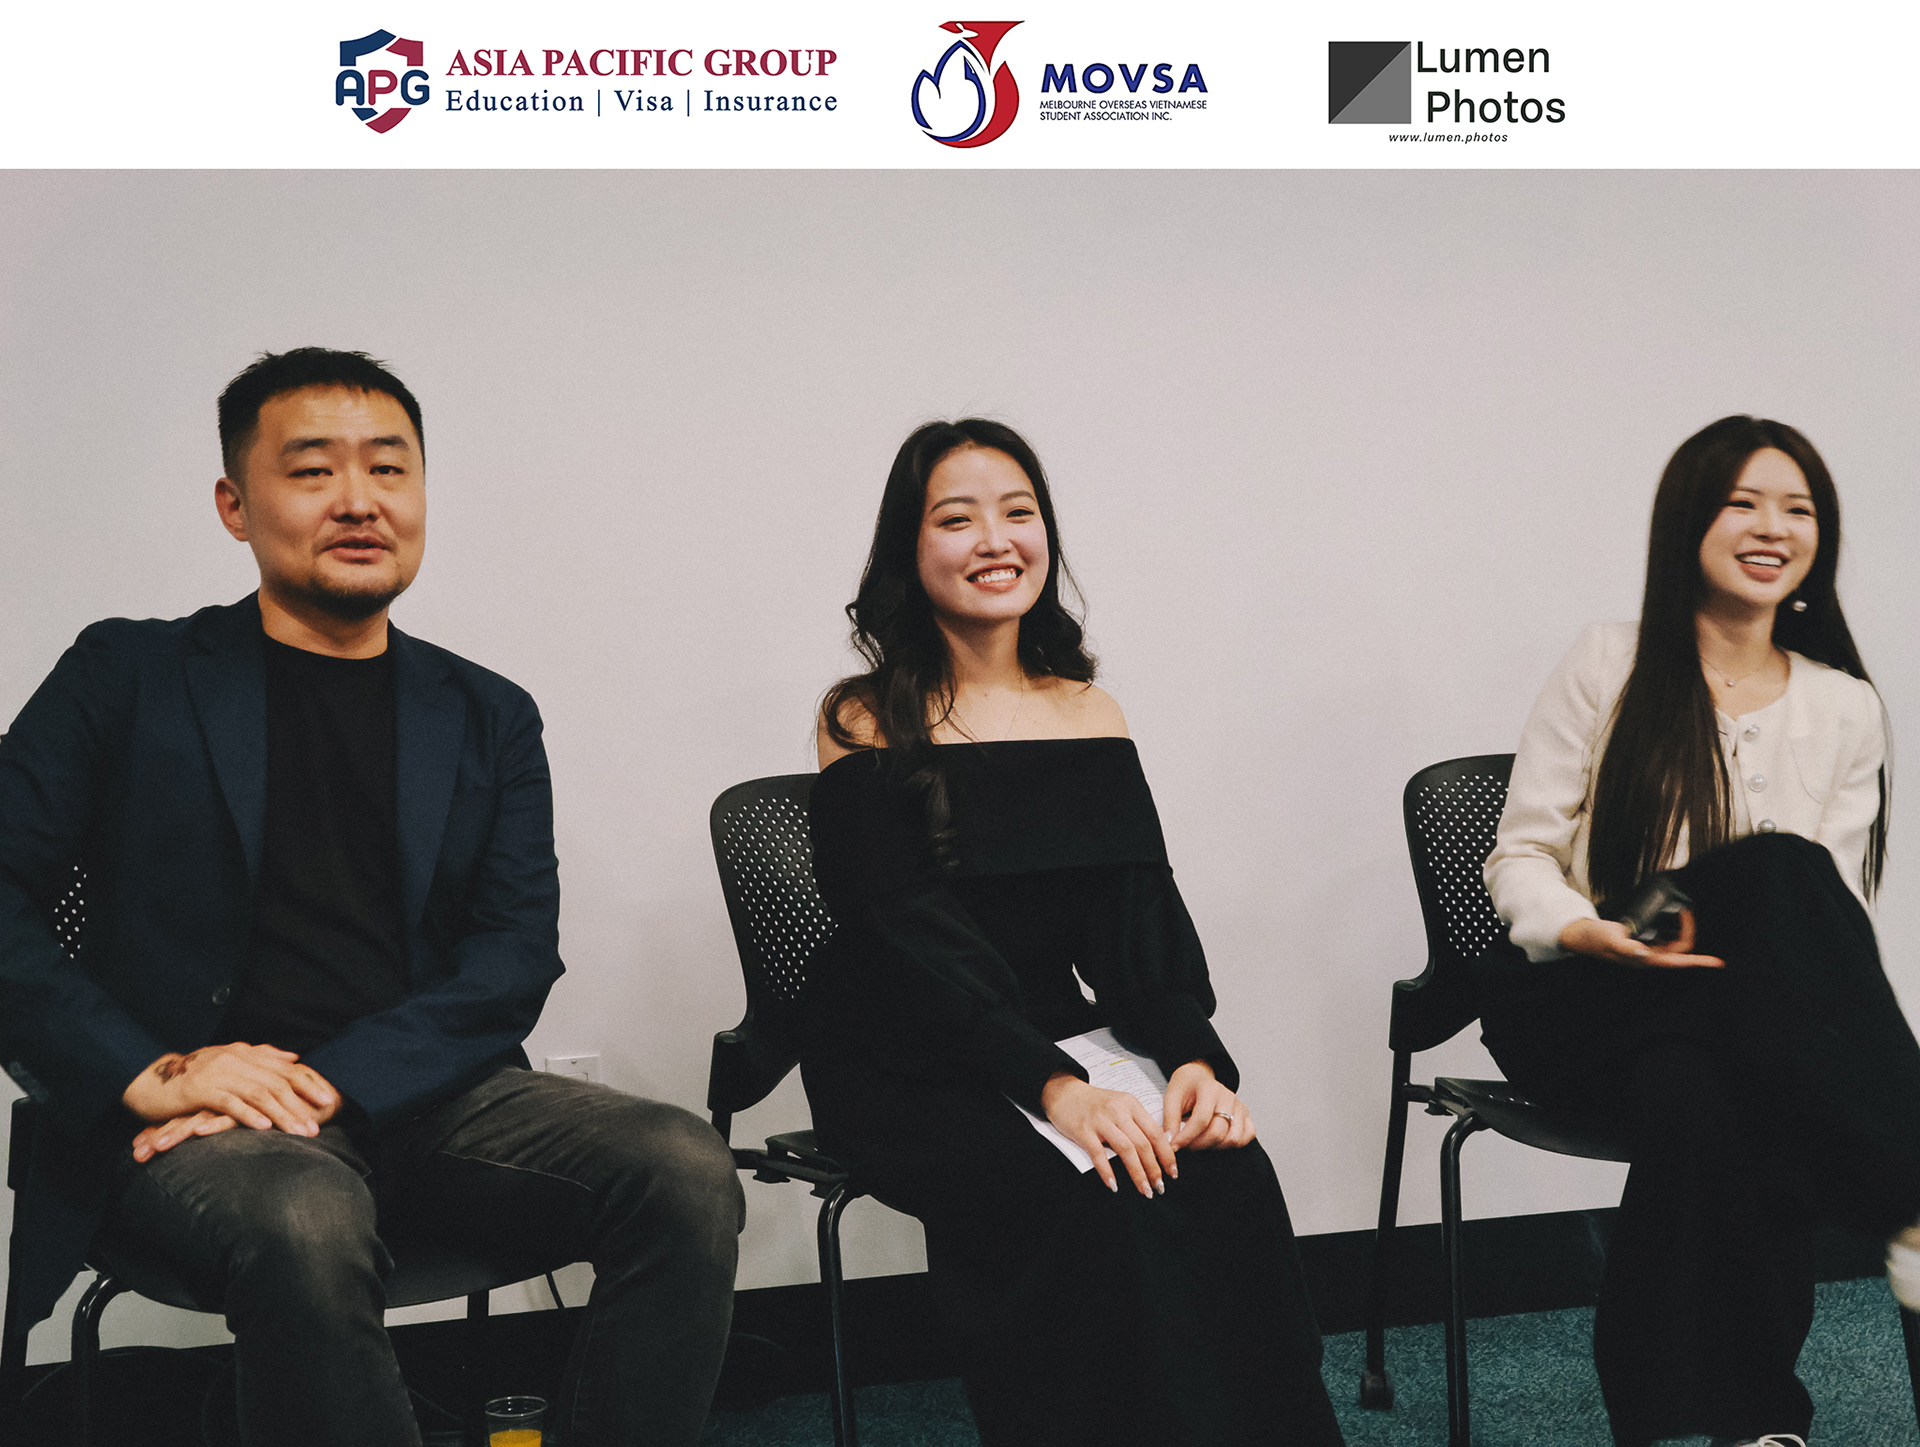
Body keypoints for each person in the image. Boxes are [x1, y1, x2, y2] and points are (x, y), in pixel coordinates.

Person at [0, 348, 744, 1446]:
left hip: (422, 1098)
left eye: (389, 468)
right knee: (304, 1211)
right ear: (235, 505)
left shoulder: (487, 712)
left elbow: (512, 955)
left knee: (683, 1166)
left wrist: (335, 1080)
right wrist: (152, 1072)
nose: (359, 500)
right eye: (313, 470)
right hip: (202, 1117)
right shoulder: (127, 675)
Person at [800, 418, 1344, 1447]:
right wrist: (1053, 1086)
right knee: (1092, 1190)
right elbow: (904, 938)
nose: (995, 540)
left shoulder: (1091, 712)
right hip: (904, 1048)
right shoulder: (862, 716)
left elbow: (1136, 923)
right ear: (909, 550)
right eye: (956, 519)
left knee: (1225, 1168)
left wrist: (1191, 1060)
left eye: (1019, 512)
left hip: (1055, 1028)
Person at [1479, 414, 1917, 1447]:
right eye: (1743, 503)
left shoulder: (1846, 706)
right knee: (1780, 865)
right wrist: (1583, 930)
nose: (1773, 527)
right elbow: (1519, 857)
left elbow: (1828, 930)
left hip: (1720, 1020)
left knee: (1710, 1087)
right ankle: (1910, 1197)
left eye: (1798, 509)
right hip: (1584, 993)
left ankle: (1741, 1424)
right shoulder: (1610, 659)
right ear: (1690, 521)